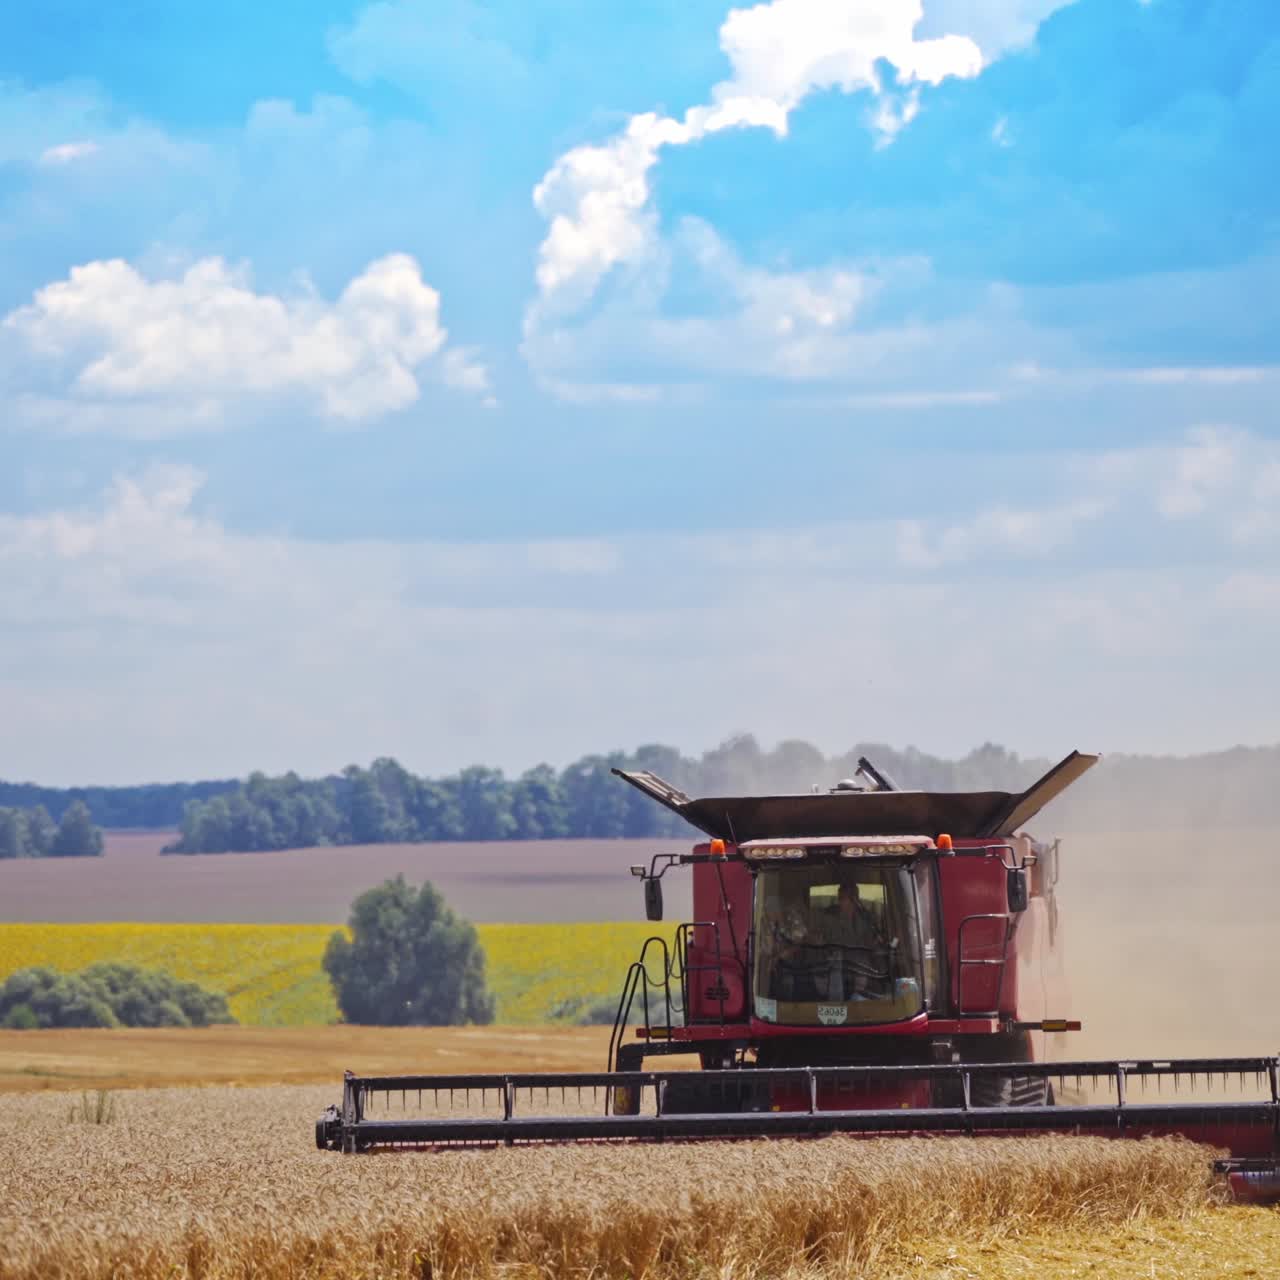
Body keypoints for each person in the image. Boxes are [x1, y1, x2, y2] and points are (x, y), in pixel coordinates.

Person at [822, 881, 885, 999]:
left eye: (847, 898)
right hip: (840, 969)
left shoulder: (867, 918)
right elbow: (830, 944)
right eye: (841, 898)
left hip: (865, 970)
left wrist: (877, 942)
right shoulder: (830, 920)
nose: (842, 901)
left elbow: (874, 944)